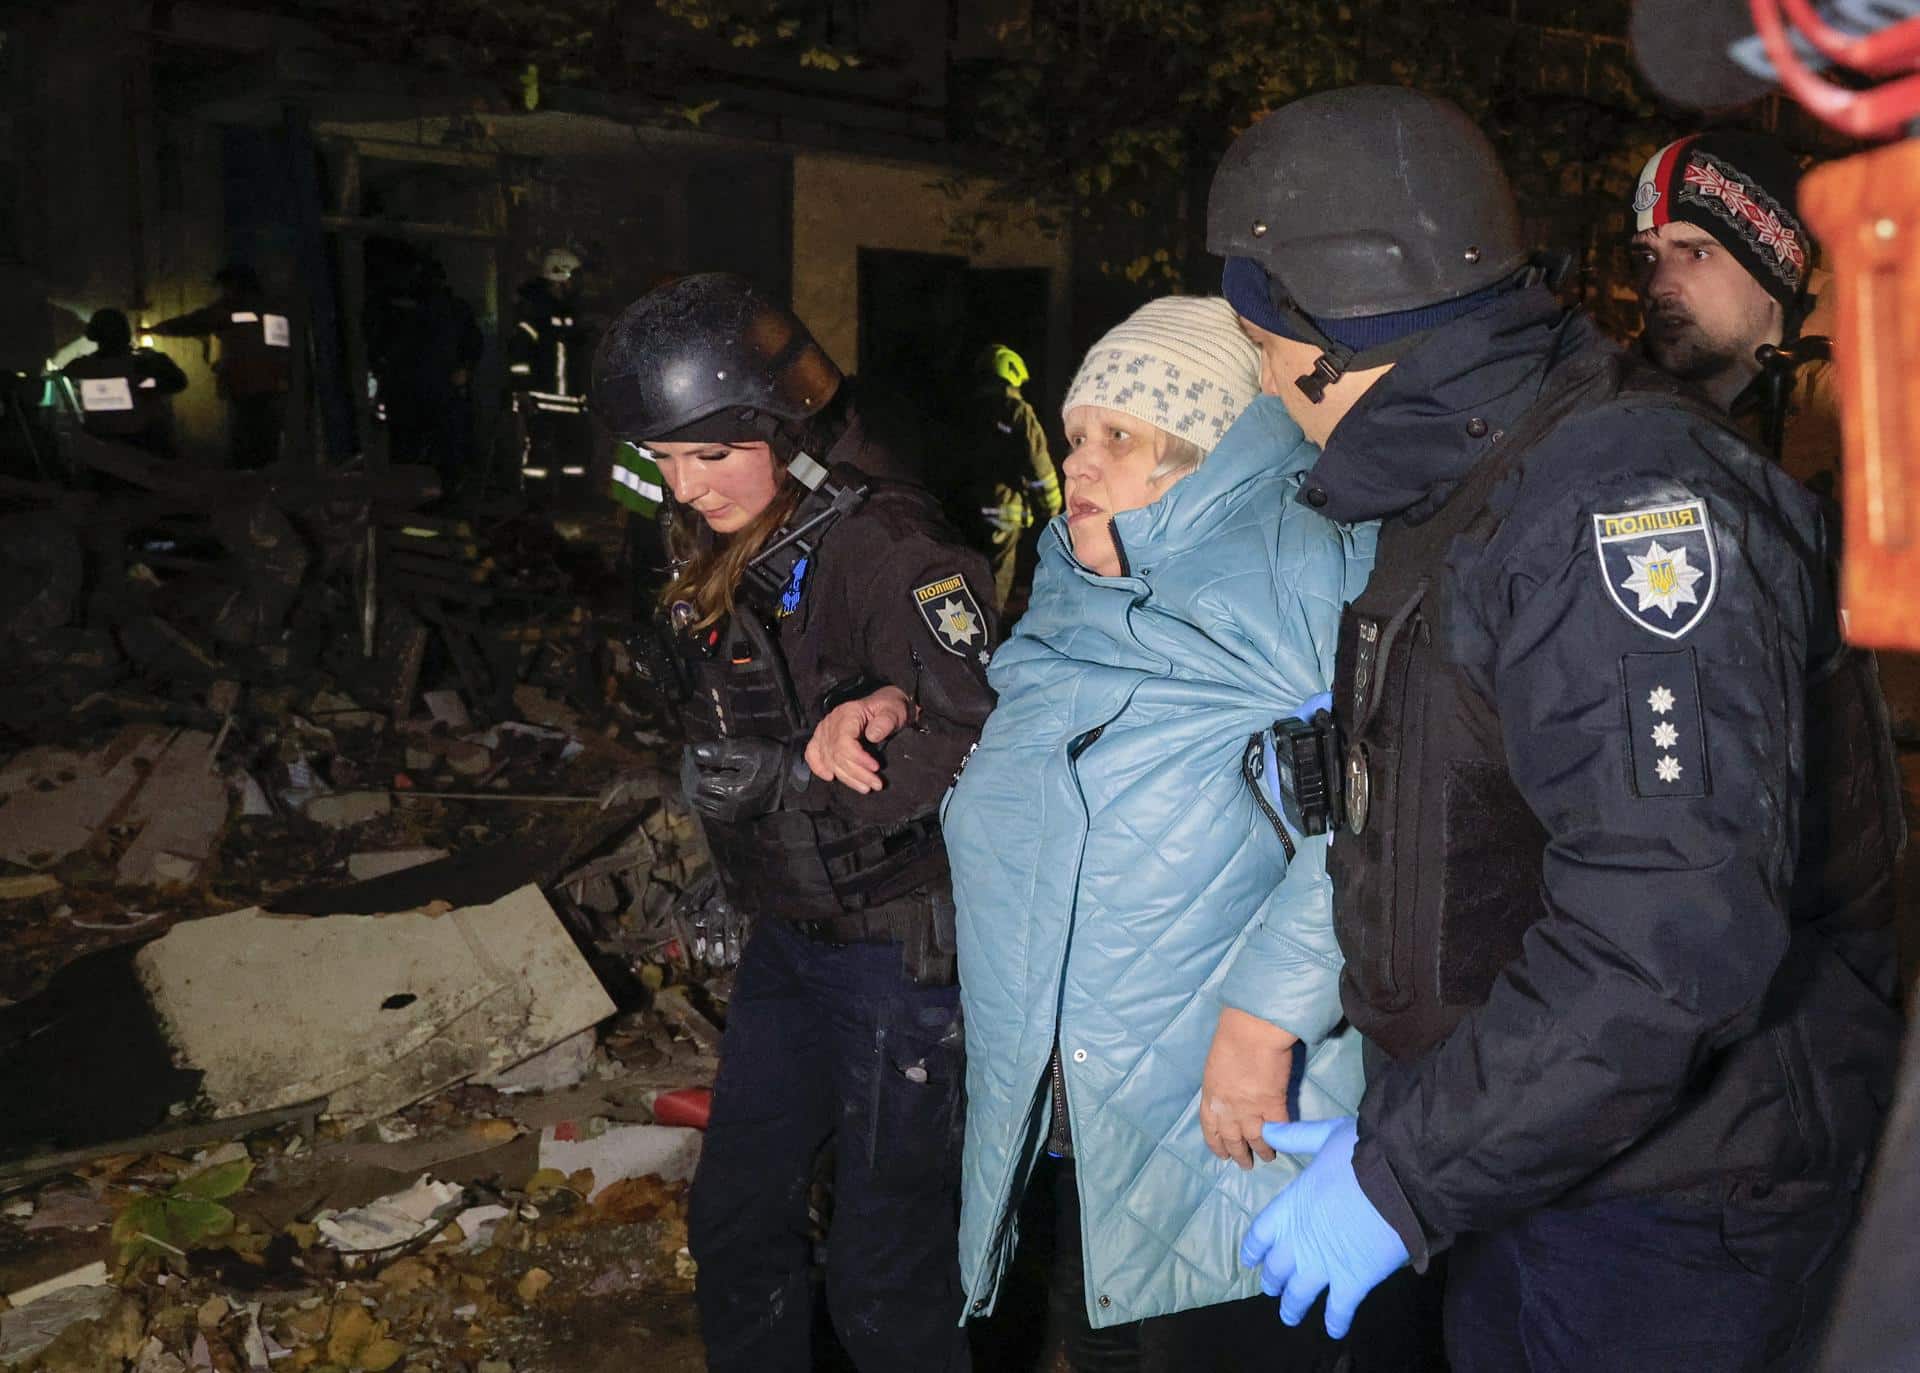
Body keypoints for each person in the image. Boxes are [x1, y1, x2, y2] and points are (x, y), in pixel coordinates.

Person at [1207, 85, 1905, 1369]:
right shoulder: (1485, 479)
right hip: (1546, 1161)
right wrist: (1417, 1129)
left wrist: (1405, 1175)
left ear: (1333, 332)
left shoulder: (1618, 501)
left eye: (1260, 348)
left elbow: (1666, 934)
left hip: (1682, 1198)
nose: (1264, 387)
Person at [944, 297, 1441, 1372]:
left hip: (1233, 1122)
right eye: (1076, 434)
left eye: (1119, 435)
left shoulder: (1304, 558)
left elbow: (1384, 807)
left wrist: (1266, 1016)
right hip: (1079, 1118)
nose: (1080, 460)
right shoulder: (1078, 579)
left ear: (1206, 445)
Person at [590, 273, 993, 1373]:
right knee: (734, 1221)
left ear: (782, 428)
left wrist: (801, 773)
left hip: (898, 955)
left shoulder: (889, 545)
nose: (684, 485)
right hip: (792, 936)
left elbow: (981, 735)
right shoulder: (731, 535)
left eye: (711, 454)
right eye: (666, 460)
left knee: (884, 1277)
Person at [1629, 131, 1841, 494]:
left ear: (1772, 275)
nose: (1658, 284)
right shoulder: (1616, 412)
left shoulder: (1870, 417)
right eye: (1648, 258)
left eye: (1697, 254)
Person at [944, 342, 1061, 607]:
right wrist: (1051, 509)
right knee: (992, 590)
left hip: (961, 514)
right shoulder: (1017, 412)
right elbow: (1038, 467)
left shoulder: (963, 412)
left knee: (961, 586)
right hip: (1002, 519)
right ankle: (987, 642)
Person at [149, 265, 293, 469]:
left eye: (224, 288)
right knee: (267, 438)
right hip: (275, 384)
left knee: (246, 441)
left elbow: (195, 322)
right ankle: (267, 479)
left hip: (246, 383)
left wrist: (158, 329)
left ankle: (248, 484)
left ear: (233, 286)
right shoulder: (273, 309)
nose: (222, 294)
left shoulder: (233, 310)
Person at [366, 252, 484, 493]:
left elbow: (472, 345)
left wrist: (465, 369)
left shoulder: (450, 310)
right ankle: (418, 499)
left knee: (438, 449)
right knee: (412, 449)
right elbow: (379, 344)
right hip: (413, 391)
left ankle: (441, 496)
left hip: (432, 390)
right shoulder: (399, 308)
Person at [510, 248, 593, 501]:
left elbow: (577, 359)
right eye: (571, 277)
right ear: (559, 276)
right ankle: (535, 507)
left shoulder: (570, 313)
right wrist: (522, 391)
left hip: (570, 404)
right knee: (539, 459)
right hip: (540, 404)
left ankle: (573, 503)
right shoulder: (534, 313)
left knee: (575, 460)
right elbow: (518, 355)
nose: (575, 284)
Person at [61, 308, 188, 456]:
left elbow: (178, 382)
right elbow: (179, 382)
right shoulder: (146, 361)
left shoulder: (85, 366)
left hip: (117, 445)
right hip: (132, 444)